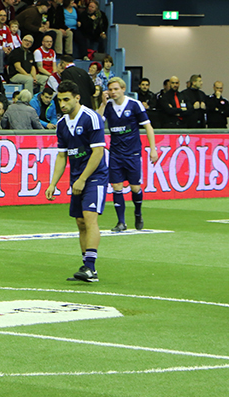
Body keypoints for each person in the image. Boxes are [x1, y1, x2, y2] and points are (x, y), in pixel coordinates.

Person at [44, 79, 107, 282]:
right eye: (59, 100)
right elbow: (62, 156)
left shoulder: (92, 118)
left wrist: (82, 179)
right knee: (80, 222)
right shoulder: (61, 124)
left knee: (90, 218)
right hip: (77, 178)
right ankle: (87, 267)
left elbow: (98, 152)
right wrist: (53, 183)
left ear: (77, 98)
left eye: (66, 100)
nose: (62, 104)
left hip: (94, 175)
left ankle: (90, 267)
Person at [98, 77, 158, 232]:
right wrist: (103, 104)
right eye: (110, 89)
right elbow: (97, 122)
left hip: (132, 153)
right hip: (115, 153)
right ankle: (121, 222)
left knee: (135, 187)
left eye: (116, 89)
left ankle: (138, 213)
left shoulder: (134, 105)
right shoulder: (108, 106)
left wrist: (153, 149)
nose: (113, 92)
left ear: (123, 89)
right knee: (116, 186)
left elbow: (148, 127)